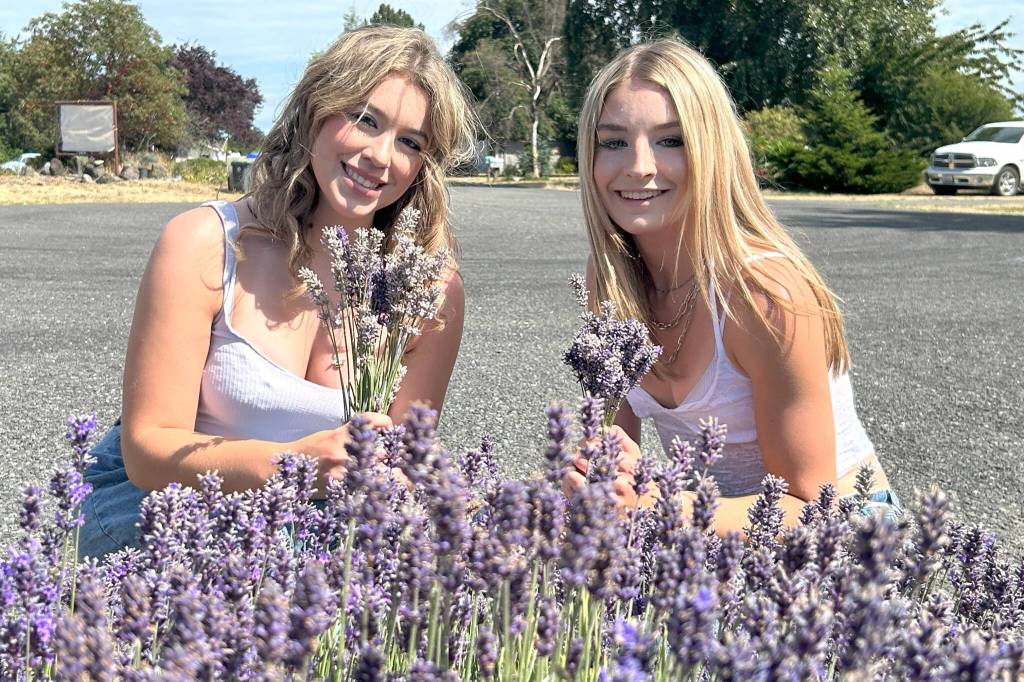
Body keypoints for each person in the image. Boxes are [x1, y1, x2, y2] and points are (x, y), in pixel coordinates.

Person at [80, 25, 477, 559]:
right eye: (365, 120)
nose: (382, 156)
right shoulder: (205, 241)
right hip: (176, 510)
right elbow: (149, 450)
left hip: (325, 530)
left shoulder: (430, 292)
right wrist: (296, 466)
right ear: (315, 111)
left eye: (410, 142)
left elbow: (403, 460)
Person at [561, 39, 900, 535]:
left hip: (843, 533)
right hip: (712, 529)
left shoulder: (763, 295)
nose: (639, 165)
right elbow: (615, 442)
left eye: (670, 140)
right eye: (613, 141)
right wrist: (597, 479)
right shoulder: (609, 279)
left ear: (711, 149)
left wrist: (664, 510)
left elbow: (814, 503)